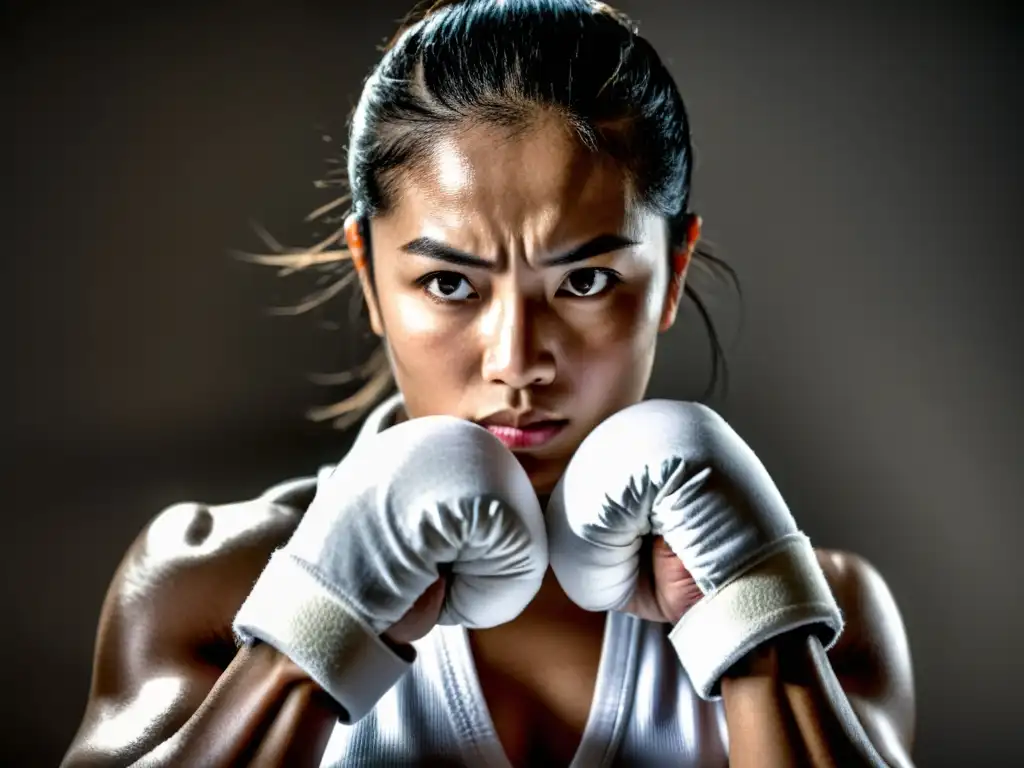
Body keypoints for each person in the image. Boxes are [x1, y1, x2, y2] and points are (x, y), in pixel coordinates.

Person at [61, 1, 916, 766]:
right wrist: (308, 636)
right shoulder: (211, 583)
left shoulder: (830, 616)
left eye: (584, 282)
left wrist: (755, 625)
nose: (517, 359)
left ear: (672, 271)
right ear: (369, 279)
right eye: (448, 283)